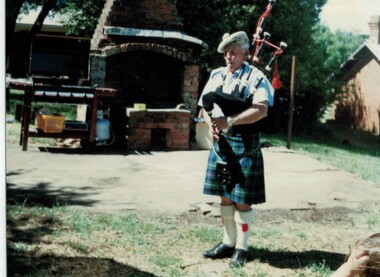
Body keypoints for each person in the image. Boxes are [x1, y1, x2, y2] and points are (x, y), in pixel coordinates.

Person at [197, 31, 274, 268]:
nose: (229, 57)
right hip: (221, 144)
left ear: (245, 53)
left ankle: (242, 247)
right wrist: (211, 126)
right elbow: (202, 108)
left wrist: (229, 122)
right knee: (225, 195)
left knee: (242, 200)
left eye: (234, 53)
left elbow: (261, 110)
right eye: (226, 53)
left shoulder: (256, 77)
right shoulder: (216, 75)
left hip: (245, 143)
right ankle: (228, 242)